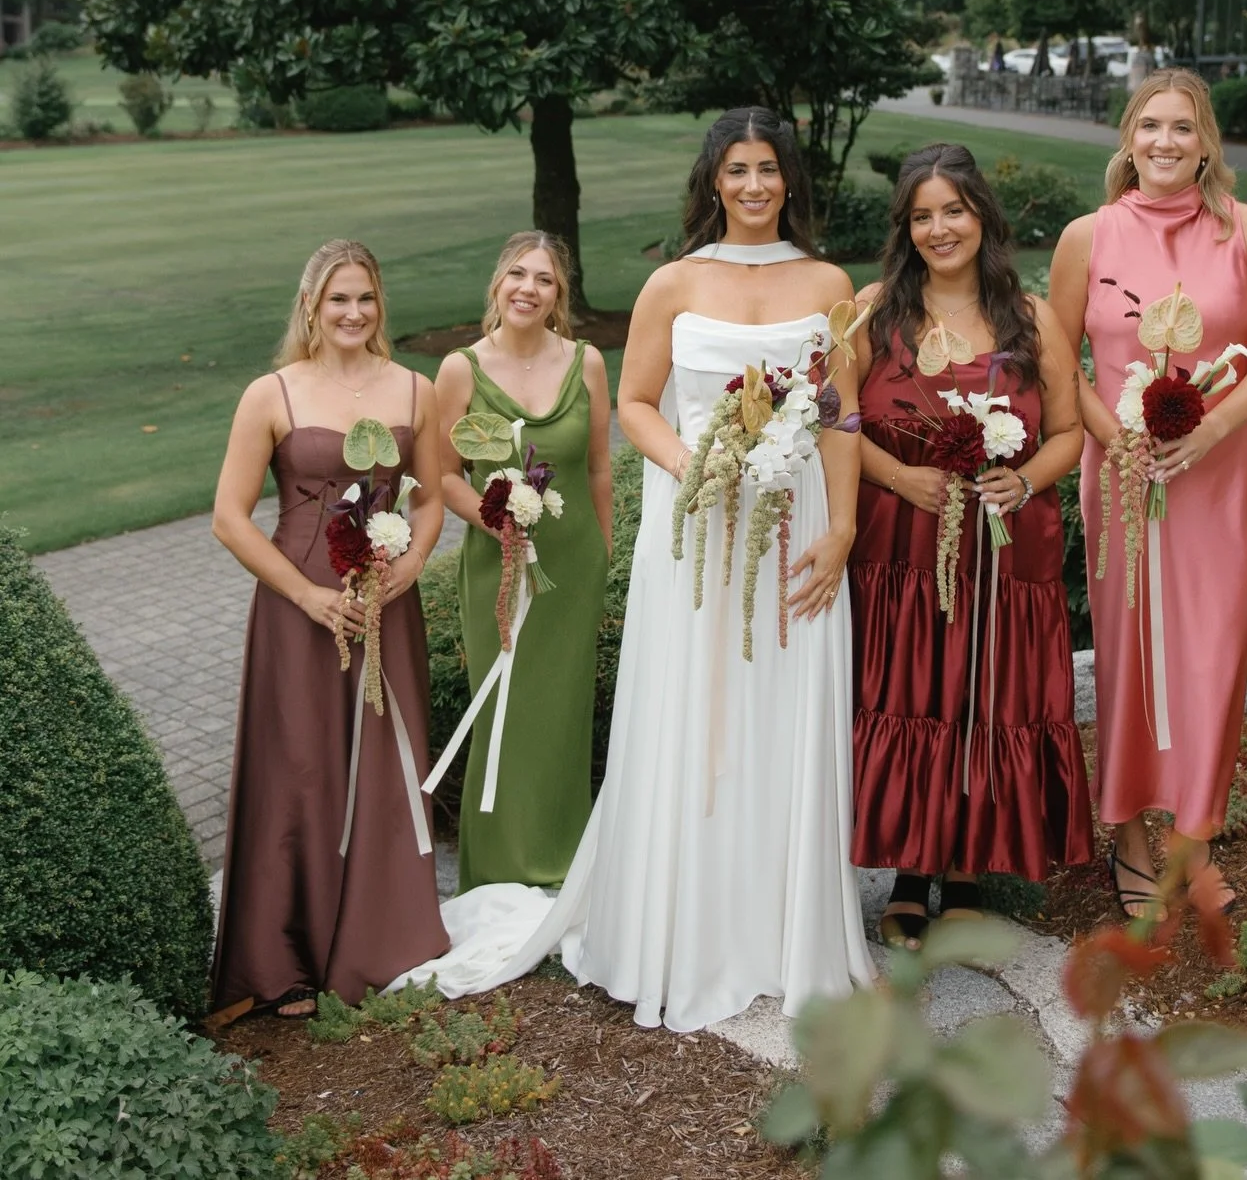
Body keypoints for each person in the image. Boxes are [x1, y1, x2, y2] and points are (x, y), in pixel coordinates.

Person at [395, 108, 872, 1029]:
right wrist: (702, 468)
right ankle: (684, 924)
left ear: (789, 179)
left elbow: (840, 414)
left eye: (769, 168)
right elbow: (641, 403)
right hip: (695, 531)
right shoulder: (671, 282)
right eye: (736, 169)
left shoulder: (826, 280)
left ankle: (783, 928)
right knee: (696, 716)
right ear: (713, 180)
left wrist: (844, 525)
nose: (754, 185)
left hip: (795, 527)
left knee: (782, 712)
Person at [1049, 72, 1247, 917]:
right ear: (1128, 137)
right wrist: (1112, 437)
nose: (1164, 141)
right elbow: (1061, 363)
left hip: (1219, 472)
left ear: (1206, 141)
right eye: (1149, 125)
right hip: (1120, 474)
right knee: (1127, 651)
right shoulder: (1088, 237)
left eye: (1181, 128)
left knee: (1210, 655)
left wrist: (1210, 431)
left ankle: (1193, 840)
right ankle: (1125, 832)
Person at [850, 144, 1092, 947]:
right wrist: (896, 476)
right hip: (901, 547)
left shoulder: (1029, 315)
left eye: (952, 209)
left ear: (982, 214)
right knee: (912, 692)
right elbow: (835, 420)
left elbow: (1066, 432)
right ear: (905, 227)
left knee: (979, 692)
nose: (938, 227)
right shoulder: (874, 309)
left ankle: (964, 867)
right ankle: (908, 873)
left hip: (999, 547)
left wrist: (1022, 482)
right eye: (921, 215)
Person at [211, 240, 449, 1015]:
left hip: (385, 607)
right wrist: (306, 598)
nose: (353, 313)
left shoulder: (415, 389)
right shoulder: (271, 392)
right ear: (311, 304)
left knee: (384, 766)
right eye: (338, 298)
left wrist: (411, 562)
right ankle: (285, 959)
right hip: (298, 610)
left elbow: (431, 497)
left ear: (381, 305)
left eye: (367, 298)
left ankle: (382, 937)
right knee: (301, 769)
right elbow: (229, 517)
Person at [434, 231, 612, 891]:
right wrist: (494, 513)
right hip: (497, 564)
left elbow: (598, 466)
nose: (528, 288)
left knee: (563, 715)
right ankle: (500, 869)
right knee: (503, 707)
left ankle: (563, 863)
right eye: (517, 274)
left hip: (572, 565)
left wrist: (604, 551)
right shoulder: (460, 369)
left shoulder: (587, 362)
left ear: (557, 294)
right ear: (497, 284)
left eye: (543, 278)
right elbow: (444, 472)